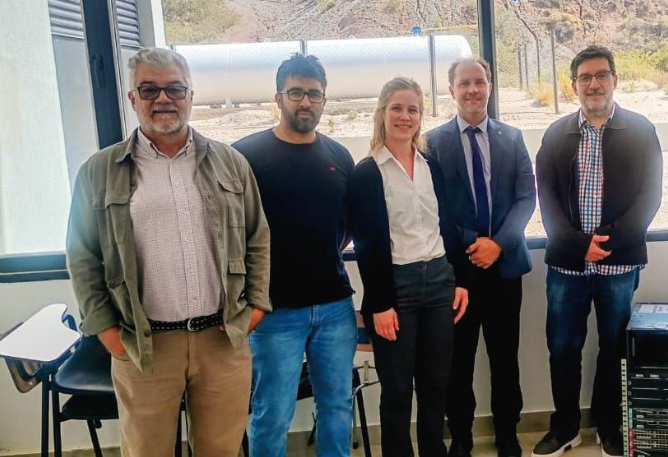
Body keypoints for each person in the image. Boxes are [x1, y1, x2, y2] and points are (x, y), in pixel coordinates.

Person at [66, 47, 270, 457]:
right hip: (144, 347)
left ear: (190, 95)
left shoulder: (231, 163)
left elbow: (257, 238)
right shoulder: (100, 171)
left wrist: (256, 307)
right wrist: (107, 332)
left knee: (222, 450)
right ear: (133, 99)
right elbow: (82, 256)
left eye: (175, 89)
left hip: (221, 339)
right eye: (150, 89)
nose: (163, 99)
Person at [533, 45, 663, 457]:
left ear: (614, 80)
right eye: (585, 77)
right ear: (574, 85)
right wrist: (578, 245)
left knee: (614, 347)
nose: (594, 84)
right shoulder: (556, 134)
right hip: (567, 266)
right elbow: (546, 197)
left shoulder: (640, 130)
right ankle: (565, 427)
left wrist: (606, 241)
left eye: (601, 75)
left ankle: (609, 427)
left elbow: (650, 196)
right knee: (563, 348)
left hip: (618, 264)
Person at [232, 54, 357, 457]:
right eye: (296, 92)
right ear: (278, 97)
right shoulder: (245, 156)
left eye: (314, 94)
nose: (305, 102)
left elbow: (346, 226)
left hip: (335, 307)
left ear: (324, 100)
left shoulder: (339, 156)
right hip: (273, 312)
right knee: (272, 413)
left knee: (337, 407)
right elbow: (230, 231)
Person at [347, 76, 469, 457]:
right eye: (397, 108)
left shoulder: (432, 165)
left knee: (436, 384)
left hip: (439, 282)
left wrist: (460, 281)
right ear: (382, 113)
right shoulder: (368, 173)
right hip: (395, 289)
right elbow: (366, 246)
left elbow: (447, 226)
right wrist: (379, 303)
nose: (405, 116)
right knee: (398, 389)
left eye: (413, 109)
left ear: (421, 115)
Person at [425, 57, 536, 457]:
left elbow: (526, 198)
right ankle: (462, 439)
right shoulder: (432, 144)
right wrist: (474, 242)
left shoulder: (513, 137)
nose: (473, 90)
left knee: (505, 360)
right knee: (458, 363)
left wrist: (499, 244)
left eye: (480, 82)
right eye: (464, 83)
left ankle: (507, 435)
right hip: (458, 273)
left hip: (505, 269)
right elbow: (434, 207)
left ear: (490, 86)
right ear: (451, 90)